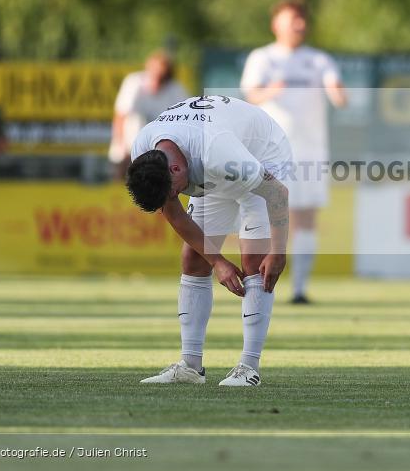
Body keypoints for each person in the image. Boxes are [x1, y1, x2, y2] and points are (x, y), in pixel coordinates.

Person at [125, 95, 291, 387]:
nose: (172, 200)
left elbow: (277, 194)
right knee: (194, 259)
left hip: (261, 156)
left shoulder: (220, 153)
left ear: (176, 170)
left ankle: (248, 368)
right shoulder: (143, 149)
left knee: (255, 261)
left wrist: (278, 252)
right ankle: (190, 367)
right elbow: (172, 211)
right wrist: (217, 261)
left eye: (174, 192)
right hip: (212, 168)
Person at [240, 0, 347, 304]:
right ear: (277, 25)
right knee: (262, 214)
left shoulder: (318, 59)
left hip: (310, 152)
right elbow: (251, 94)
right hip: (271, 153)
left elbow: (336, 91)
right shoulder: (263, 58)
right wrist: (270, 90)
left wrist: (337, 93)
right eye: (291, 20)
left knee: (305, 218)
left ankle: (299, 288)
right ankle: (256, 284)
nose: (298, 25)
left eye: (301, 20)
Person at [110, 50, 190, 177]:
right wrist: (121, 146)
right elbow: (121, 115)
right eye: (155, 74)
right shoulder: (134, 83)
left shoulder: (176, 89)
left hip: (160, 155)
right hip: (128, 148)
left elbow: (186, 121)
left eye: (162, 76)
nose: (157, 80)